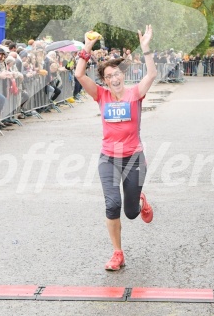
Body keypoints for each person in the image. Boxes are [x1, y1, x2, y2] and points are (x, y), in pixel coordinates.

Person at [75, 26, 157, 272]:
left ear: (123, 74)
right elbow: (79, 74)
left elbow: (151, 74)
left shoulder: (135, 94)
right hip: (108, 158)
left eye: (117, 73)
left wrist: (146, 48)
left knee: (131, 212)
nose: (114, 78)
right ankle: (117, 253)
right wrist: (87, 47)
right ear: (105, 80)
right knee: (112, 204)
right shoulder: (101, 95)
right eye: (109, 75)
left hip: (134, 158)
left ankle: (140, 200)